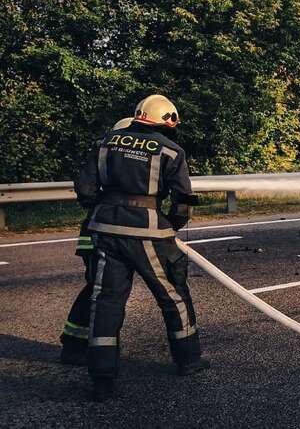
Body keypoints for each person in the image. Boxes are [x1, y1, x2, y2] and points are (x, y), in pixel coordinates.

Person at [75, 94, 207, 402]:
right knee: (172, 293)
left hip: (105, 229)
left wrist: (103, 209)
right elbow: (183, 201)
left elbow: (84, 187)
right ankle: (188, 359)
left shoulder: (106, 142)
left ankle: (102, 378)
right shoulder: (171, 151)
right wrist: (170, 226)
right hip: (148, 230)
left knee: (104, 301)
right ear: (166, 120)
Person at [60, 117, 133, 366]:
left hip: (98, 230)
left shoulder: (106, 156)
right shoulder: (113, 157)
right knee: (101, 293)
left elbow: (86, 189)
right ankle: (79, 346)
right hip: (100, 233)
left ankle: (82, 343)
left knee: (100, 291)